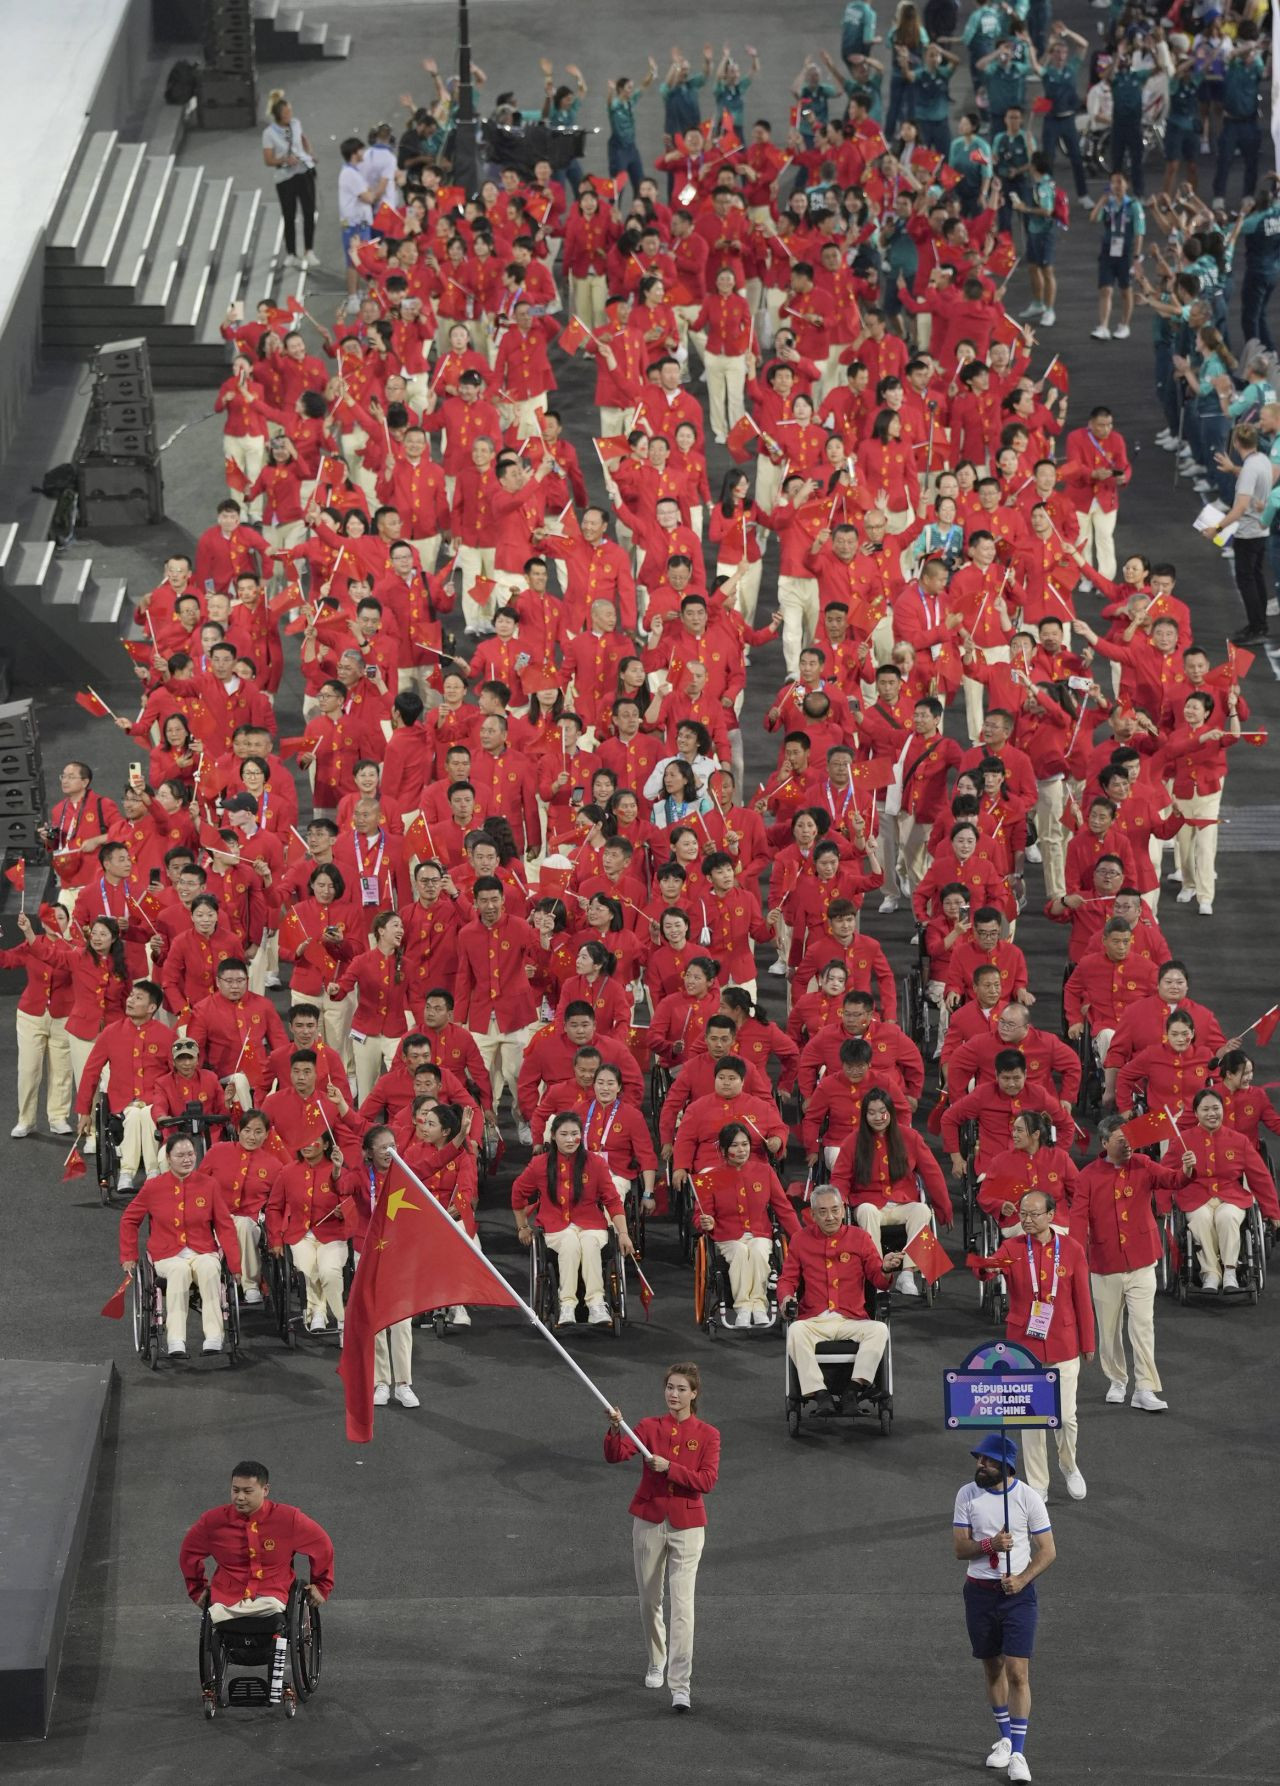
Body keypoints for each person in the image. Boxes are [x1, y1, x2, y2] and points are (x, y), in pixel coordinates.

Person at [605, 1362, 720, 1713]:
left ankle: (680, 1684)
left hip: (688, 1526)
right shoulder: (647, 1427)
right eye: (670, 1387)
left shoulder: (709, 1434)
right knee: (649, 1600)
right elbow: (615, 1455)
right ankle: (656, 1660)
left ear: (694, 1394)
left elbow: (707, 1481)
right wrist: (613, 1429)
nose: (674, 1394)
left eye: (681, 1388)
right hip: (649, 1520)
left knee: (682, 1606)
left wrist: (670, 1467)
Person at [968, 1189, 1094, 1502]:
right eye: (1023, 1214)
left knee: (1065, 1417)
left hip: (1064, 1343)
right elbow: (985, 1269)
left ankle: (1069, 1465)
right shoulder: (1012, 1247)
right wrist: (987, 1267)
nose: (1026, 1219)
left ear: (1051, 1215)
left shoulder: (1073, 1249)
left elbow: (1083, 1299)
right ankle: (1038, 1482)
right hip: (1024, 1347)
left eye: (1034, 1214)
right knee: (1032, 1418)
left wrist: (1088, 1342)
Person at [953, 1431, 1055, 1783]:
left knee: (1017, 1672)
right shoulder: (966, 1494)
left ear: (1006, 1466)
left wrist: (1023, 1579)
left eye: (988, 1461)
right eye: (979, 1460)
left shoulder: (1027, 1498)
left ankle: (1018, 1754)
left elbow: (1048, 1550)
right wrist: (990, 1544)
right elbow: (960, 1549)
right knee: (992, 1667)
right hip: (979, 1594)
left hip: (1017, 1597)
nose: (980, 1465)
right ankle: (1004, 1738)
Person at [1070, 1115, 1184, 1411]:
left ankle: (1144, 1387)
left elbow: (1172, 1180)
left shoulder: (1144, 1164)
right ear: (1105, 1143)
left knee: (1143, 1326)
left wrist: (1188, 1169)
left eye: (1131, 1140)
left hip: (1143, 1260)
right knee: (1108, 1331)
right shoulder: (1088, 1176)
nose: (1128, 1146)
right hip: (1105, 1263)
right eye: (1121, 1141)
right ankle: (1117, 1380)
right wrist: (1074, 1259)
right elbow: (1078, 1220)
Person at [776, 1182, 902, 1416]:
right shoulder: (800, 1240)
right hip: (814, 1319)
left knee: (879, 1331)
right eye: (822, 1212)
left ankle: (852, 1391)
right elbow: (787, 1280)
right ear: (812, 1215)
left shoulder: (860, 1238)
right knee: (795, 1331)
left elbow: (879, 1279)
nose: (830, 1217)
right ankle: (820, 1393)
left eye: (835, 1210)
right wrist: (785, 1298)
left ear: (844, 1210)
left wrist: (885, 1268)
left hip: (851, 1319)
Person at [119, 1135, 242, 1358]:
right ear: (168, 1158)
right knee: (179, 1270)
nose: (187, 1160)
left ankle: (215, 1336)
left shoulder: (209, 1185)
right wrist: (128, 1254)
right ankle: (176, 1339)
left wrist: (235, 1265)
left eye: (190, 1154)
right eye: (180, 1155)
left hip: (202, 1249)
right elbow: (129, 1219)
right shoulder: (153, 1187)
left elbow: (225, 1226)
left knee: (209, 1268)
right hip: (166, 1253)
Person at [512, 1111, 636, 1327]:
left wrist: (623, 1233)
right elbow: (518, 1192)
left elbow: (613, 1201)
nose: (570, 1140)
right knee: (569, 1242)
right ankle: (567, 1304)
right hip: (554, 1226)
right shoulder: (539, 1164)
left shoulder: (596, 1163)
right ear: (553, 1136)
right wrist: (522, 1226)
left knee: (588, 1243)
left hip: (592, 1224)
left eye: (575, 1134)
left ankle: (596, 1304)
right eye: (564, 1134)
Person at [179, 1460, 333, 1623]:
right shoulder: (212, 1521)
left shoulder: (289, 1519)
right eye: (235, 1490)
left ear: (265, 1490)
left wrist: (321, 1586)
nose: (240, 1497)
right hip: (227, 1597)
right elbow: (188, 1554)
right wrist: (197, 1589)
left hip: (272, 1594)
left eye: (247, 1491)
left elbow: (322, 1546)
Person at [262, 91, 318, 270]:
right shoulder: (269, 133)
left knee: (309, 211)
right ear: (278, 115)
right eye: (285, 113)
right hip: (285, 177)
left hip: (303, 172)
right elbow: (268, 160)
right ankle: (292, 253)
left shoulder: (295, 124)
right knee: (289, 214)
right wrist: (285, 160)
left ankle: (309, 250)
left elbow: (303, 138)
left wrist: (309, 153)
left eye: (290, 112)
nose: (289, 116)